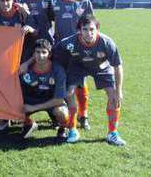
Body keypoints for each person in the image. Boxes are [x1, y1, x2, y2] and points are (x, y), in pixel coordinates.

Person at [53, 15, 126, 146]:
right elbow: (55, 58)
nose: (89, 33)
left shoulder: (107, 42)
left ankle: (113, 133)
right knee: (69, 93)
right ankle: (73, 130)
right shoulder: (68, 43)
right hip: (77, 66)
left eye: (92, 29)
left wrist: (119, 90)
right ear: (79, 30)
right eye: (85, 29)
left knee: (114, 96)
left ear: (97, 29)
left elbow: (117, 67)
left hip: (101, 66)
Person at [0, 0, 34, 131]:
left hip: (18, 57)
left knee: (17, 89)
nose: (5, 3)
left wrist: (30, 28)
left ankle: (15, 118)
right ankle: (0, 117)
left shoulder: (20, 14)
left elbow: (36, 31)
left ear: (13, 1)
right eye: (2, 0)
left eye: (8, 0)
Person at [51, 0, 94, 130]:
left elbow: (91, 26)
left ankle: (84, 115)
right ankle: (62, 115)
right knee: (61, 82)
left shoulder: (84, 2)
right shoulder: (54, 1)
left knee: (81, 83)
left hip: (79, 49)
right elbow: (48, 21)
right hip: (60, 50)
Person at [20, 39, 69, 140]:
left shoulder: (58, 70)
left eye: (44, 52)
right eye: (37, 52)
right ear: (33, 54)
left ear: (49, 54)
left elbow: (59, 99)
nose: (40, 56)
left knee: (62, 113)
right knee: (12, 106)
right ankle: (29, 124)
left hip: (52, 101)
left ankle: (63, 128)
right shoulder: (25, 70)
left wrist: (34, 108)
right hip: (31, 100)